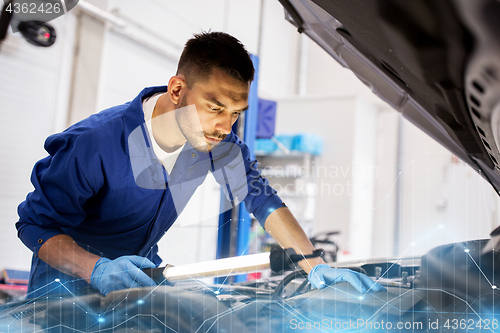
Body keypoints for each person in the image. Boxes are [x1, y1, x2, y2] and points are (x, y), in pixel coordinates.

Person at [16, 31, 385, 298]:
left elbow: (263, 200)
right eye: (214, 108)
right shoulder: (95, 144)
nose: (226, 127)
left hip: (140, 279)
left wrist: (316, 266)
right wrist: (95, 269)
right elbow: (36, 225)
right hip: (62, 291)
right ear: (177, 90)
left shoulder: (215, 144)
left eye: (236, 113)